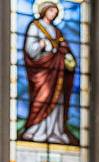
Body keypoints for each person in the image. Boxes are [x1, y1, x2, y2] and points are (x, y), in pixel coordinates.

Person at [20, 1, 78, 145]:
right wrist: (42, 44)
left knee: (57, 99)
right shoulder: (35, 26)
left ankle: (56, 131)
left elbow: (63, 47)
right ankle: (35, 129)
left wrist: (67, 55)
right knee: (42, 97)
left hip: (57, 71)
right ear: (44, 10)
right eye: (51, 11)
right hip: (42, 71)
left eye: (55, 12)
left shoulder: (56, 31)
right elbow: (30, 49)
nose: (53, 14)